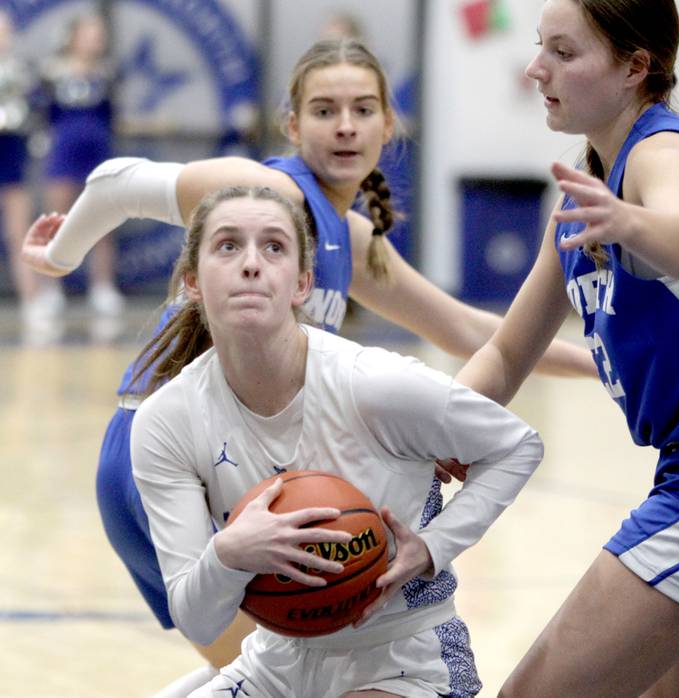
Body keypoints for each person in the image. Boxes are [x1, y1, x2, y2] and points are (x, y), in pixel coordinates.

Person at [22, 38, 594, 696]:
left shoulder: (348, 240)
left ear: (389, 126)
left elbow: (470, 330)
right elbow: (114, 182)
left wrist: (597, 365)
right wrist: (59, 258)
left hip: (230, 460)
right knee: (290, 645)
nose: (345, 126)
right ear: (292, 127)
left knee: (275, 651)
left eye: (362, 109)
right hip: (168, 447)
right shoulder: (265, 195)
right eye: (324, 111)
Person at [448, 1, 679, 695]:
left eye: (564, 52)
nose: (536, 68)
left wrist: (630, 221)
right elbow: (506, 355)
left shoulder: (664, 152)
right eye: (538, 47)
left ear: (636, 67)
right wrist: (420, 435)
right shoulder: (585, 204)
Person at [130, 183, 544, 697]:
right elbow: (198, 620)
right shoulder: (166, 420)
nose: (252, 264)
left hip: (405, 656)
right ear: (192, 281)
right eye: (228, 245)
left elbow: (517, 445)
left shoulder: (371, 383)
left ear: (302, 283)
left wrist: (434, 547)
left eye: (274, 247)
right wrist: (230, 553)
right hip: (274, 659)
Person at [40, 11, 124, 323]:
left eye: (99, 35)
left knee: (102, 220)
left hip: (98, 151)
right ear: (74, 37)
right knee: (58, 220)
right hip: (64, 150)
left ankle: (102, 285)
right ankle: (51, 287)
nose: (95, 40)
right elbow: (45, 113)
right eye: (89, 34)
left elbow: (112, 114)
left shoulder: (107, 73)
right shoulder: (54, 73)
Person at [0, 10, 50, 342]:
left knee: (18, 231)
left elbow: (37, 110)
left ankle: (34, 302)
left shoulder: (20, 72)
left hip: (11, 155)